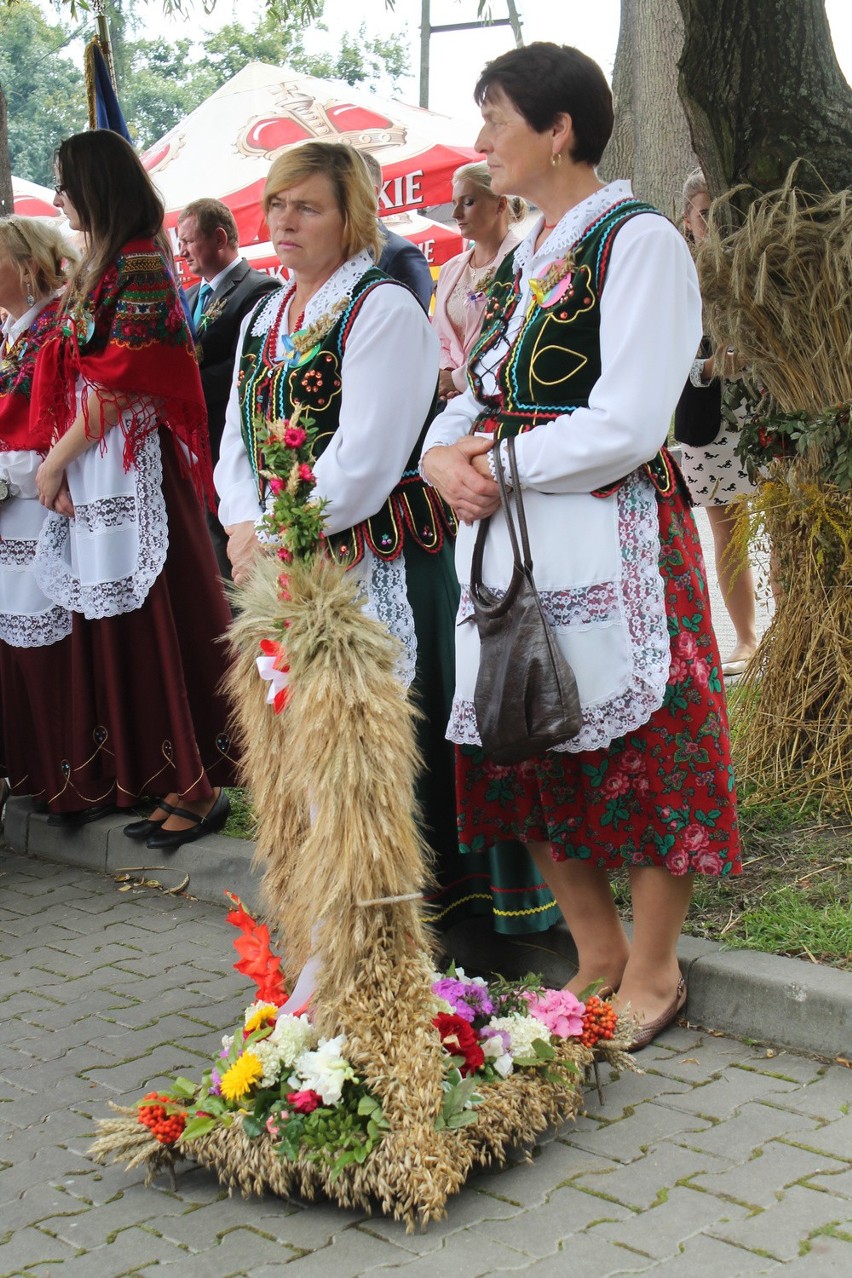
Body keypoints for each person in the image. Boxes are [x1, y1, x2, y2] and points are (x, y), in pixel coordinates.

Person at [421, 43, 742, 1048]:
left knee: (651, 754)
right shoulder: (523, 256)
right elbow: (473, 392)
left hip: (616, 537)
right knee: (527, 748)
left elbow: (633, 422)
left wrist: (493, 465)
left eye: (496, 118)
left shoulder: (639, 242)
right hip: (519, 543)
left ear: (559, 130)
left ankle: (655, 971)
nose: (480, 143)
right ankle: (593, 952)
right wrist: (439, 458)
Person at [215, 139, 556, 937]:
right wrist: (238, 522)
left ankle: (437, 913)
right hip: (284, 552)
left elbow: (365, 457)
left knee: (395, 727)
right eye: (277, 205)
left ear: (350, 217)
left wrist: (268, 530)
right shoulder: (266, 311)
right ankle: (340, 898)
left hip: (378, 553)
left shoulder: (382, 307)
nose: (285, 221)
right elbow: (236, 431)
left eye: (307, 206)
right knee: (314, 729)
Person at [31, 129, 237, 845]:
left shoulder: (142, 263)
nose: (57, 196)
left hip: (136, 471)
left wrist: (54, 463)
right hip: (104, 465)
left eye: (64, 182)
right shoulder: (110, 263)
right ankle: (170, 778)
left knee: (163, 626)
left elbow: (125, 381)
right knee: (131, 630)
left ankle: (197, 786)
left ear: (95, 186)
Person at [0, 217, 75, 813]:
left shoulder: (53, 329)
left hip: (37, 510)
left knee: (40, 647)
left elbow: (51, 432)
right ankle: (28, 774)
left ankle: (64, 778)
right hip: (13, 512)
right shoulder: (14, 330)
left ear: (26, 264)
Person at [674, 169, 758, 677]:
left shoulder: (757, 262)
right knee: (728, 531)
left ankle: (794, 627)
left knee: (791, 520)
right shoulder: (676, 273)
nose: (714, 224)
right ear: (688, 219)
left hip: (766, 407)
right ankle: (747, 640)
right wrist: (708, 367)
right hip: (708, 411)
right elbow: (660, 354)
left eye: (723, 214)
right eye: (706, 215)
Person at [177, 199, 280, 581]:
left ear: (219, 238)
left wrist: (177, 389)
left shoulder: (259, 290)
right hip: (194, 444)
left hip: (231, 440)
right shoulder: (187, 297)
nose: (181, 251)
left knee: (229, 541)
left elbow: (244, 371)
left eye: (189, 241)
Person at [432, 162, 525, 403]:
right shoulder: (450, 269)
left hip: (502, 398)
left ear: (501, 204)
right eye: (454, 204)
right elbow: (440, 336)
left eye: (468, 202)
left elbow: (515, 339)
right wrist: (447, 374)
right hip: (450, 401)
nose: (456, 215)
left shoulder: (524, 262)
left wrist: (459, 379)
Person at [359, 150, 434, 312]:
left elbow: (411, 328)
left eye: (344, 190)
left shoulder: (401, 256)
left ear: (372, 193)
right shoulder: (326, 253)